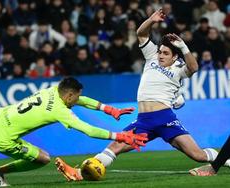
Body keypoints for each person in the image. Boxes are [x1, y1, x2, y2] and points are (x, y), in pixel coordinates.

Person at [55, 9, 230, 181]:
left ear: (175, 57)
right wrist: (152, 20)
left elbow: (194, 68)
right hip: (144, 121)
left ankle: (225, 160)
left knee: (197, 155)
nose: (161, 55)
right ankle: (78, 174)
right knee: (115, 146)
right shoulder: (152, 57)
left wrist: (183, 46)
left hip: (165, 119)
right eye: (160, 51)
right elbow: (141, 33)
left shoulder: (179, 69)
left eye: (165, 53)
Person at [0, 77, 147, 187]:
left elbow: (82, 100)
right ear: (68, 96)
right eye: (75, 97)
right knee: (42, 158)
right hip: (3, 137)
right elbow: (88, 130)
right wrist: (119, 135)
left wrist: (108, 109)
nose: (77, 100)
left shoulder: (51, 90)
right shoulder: (60, 110)